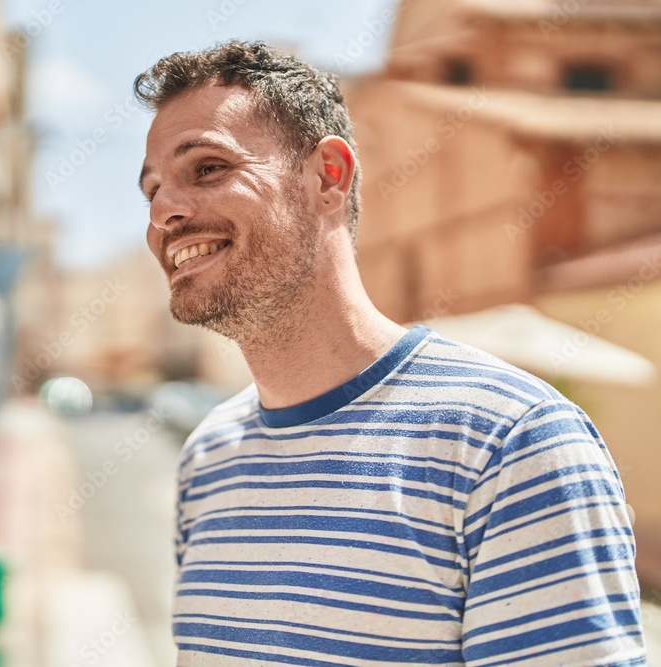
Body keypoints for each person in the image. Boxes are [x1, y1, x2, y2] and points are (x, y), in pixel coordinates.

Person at [135, 40, 645, 666]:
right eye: (151, 190)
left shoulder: (510, 444)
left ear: (328, 175)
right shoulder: (208, 459)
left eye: (208, 168)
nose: (164, 213)